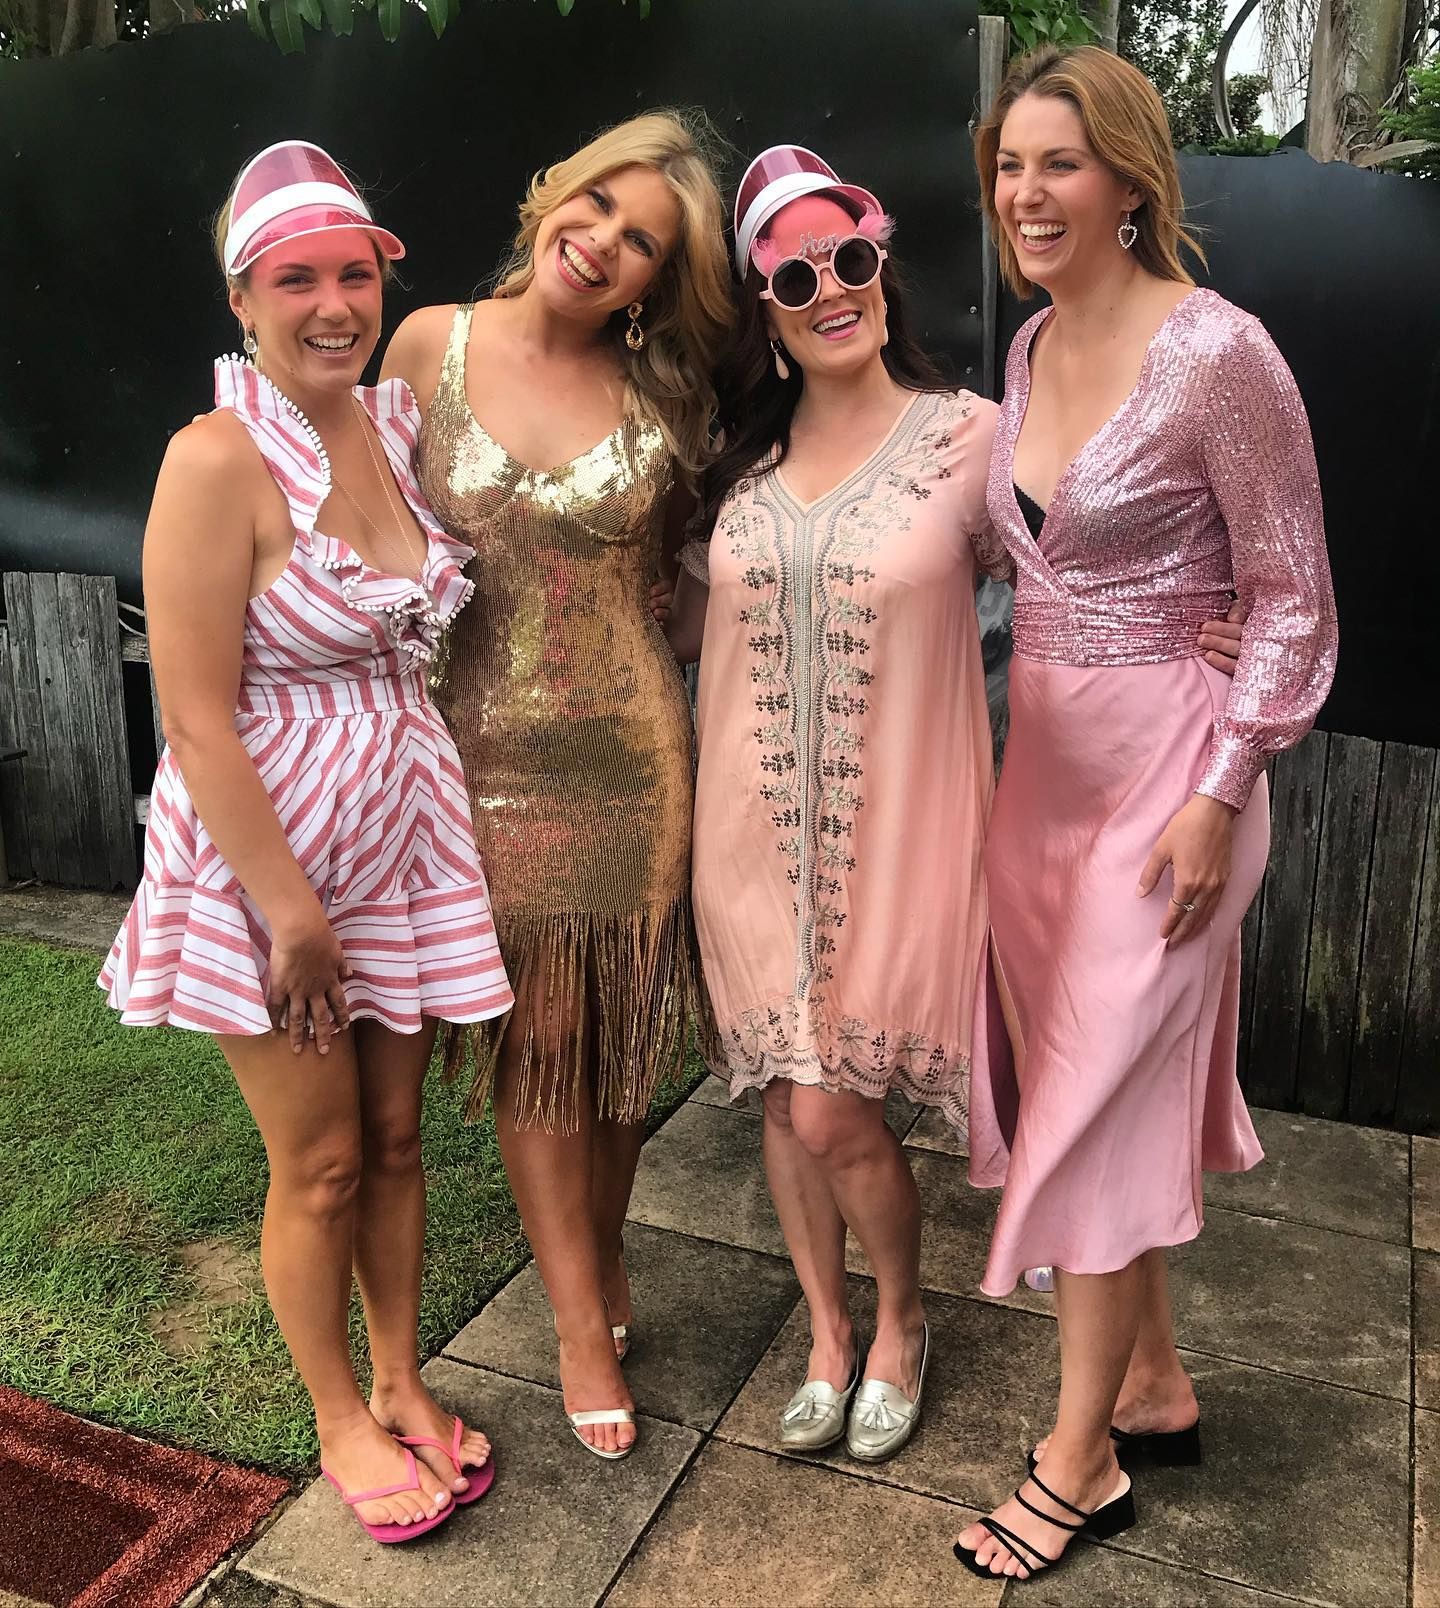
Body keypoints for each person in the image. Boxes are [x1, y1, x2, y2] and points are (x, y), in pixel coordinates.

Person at [665, 146, 1245, 1468]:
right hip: (747, 834)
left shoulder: (973, 437)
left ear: (882, 269)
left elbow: (1084, 567)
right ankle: (827, 1336)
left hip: (903, 836)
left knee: (836, 1110)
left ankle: (903, 1324)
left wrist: (1205, 623)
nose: (830, 291)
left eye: (848, 261)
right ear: (765, 312)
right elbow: (688, 623)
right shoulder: (732, 464)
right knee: (783, 1102)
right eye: (795, 278)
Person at [955, 47, 1338, 1583]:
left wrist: (1222, 788)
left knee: (1093, 1108)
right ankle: (1156, 1384)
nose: (1026, 192)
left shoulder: (1220, 354)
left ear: (1130, 177)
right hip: (1041, 788)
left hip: (1176, 786)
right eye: (1009, 165)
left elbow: (1294, 596)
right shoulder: (1031, 347)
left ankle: (1081, 1461)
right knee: (1089, 1095)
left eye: (1059, 162)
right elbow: (1030, 560)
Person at [99, 141, 511, 1544]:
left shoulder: (391, 430)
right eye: (297, 281)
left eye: (354, 274)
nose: (334, 305)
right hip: (274, 866)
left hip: (401, 836)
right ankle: (338, 1412)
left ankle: (401, 1378)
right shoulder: (215, 460)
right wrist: (290, 913)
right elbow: (195, 718)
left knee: (397, 1140)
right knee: (322, 1159)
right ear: (241, 299)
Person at [380, 111, 733, 1460]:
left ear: (655, 281)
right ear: (551, 199)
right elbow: (359, 521)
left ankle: (601, 1254)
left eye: (640, 241)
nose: (602, 244)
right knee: (539, 1041)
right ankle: (580, 1323)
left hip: (632, 760)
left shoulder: (668, 400)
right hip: (479, 761)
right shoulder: (428, 347)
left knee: (618, 1052)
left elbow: (689, 583)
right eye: (595, 206)